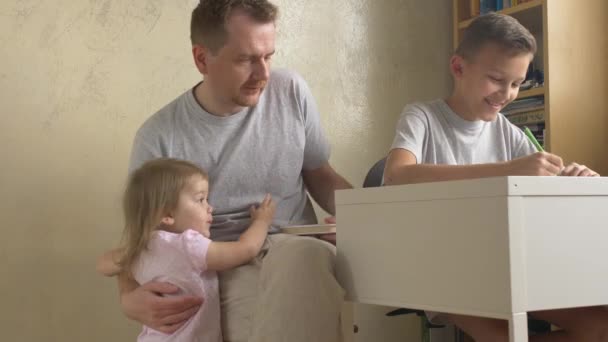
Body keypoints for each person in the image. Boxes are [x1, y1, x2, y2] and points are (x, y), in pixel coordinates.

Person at [117, 1, 353, 341]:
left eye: (268, 56)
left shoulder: (291, 92)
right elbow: (139, 238)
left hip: (297, 246)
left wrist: (367, 221)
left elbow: (322, 176)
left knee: (307, 256)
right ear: (202, 59)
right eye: (245, 59)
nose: (263, 74)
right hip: (220, 265)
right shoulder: (159, 136)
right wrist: (127, 298)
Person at [383, 12, 607, 341]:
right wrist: (508, 170)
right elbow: (397, 175)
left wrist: (572, 181)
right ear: (458, 68)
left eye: (516, 84)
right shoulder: (422, 117)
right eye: (496, 79)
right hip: (444, 268)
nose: (507, 93)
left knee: (601, 327)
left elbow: (541, 197)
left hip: (507, 265)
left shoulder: (510, 133)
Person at [97, 158, 276, 341]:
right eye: (200, 200)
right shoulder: (188, 245)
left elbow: (103, 265)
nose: (210, 208)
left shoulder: (142, 248)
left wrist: (130, 252)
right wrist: (262, 221)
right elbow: (245, 249)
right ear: (167, 214)